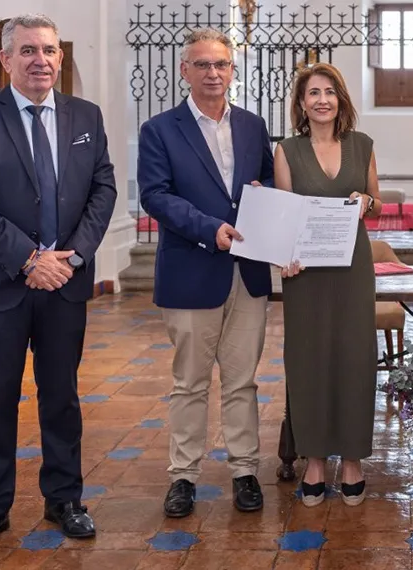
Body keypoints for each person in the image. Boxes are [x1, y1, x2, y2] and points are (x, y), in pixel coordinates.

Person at [0, 14, 117, 560]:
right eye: (27, 51)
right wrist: (27, 260)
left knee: (62, 397)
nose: (39, 60)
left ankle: (64, 498)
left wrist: (75, 255)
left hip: (64, 281)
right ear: (6, 59)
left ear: (60, 58)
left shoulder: (85, 115)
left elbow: (103, 188)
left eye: (47, 50)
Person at [137, 28, 274, 518]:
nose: (213, 73)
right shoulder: (160, 129)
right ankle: (184, 476)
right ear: (184, 71)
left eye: (221, 64)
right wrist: (208, 228)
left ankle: (244, 471)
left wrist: (268, 208)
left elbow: (269, 186)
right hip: (192, 269)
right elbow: (155, 195)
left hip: (248, 273)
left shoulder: (254, 126)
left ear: (233, 71)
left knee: (242, 381)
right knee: (190, 382)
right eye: (202, 64)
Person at [272, 62, 381, 507]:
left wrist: (366, 200)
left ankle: (352, 459)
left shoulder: (362, 145)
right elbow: (283, 215)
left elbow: (376, 205)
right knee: (309, 362)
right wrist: (285, 256)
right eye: (313, 93)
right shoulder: (287, 151)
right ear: (301, 103)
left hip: (353, 268)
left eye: (329, 92)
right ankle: (314, 459)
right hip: (307, 273)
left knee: (355, 359)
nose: (322, 100)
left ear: (341, 100)